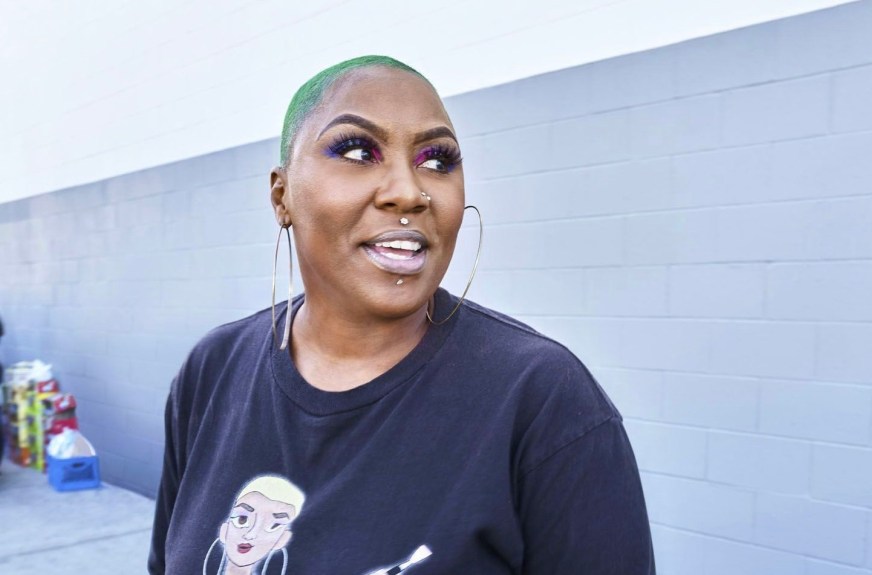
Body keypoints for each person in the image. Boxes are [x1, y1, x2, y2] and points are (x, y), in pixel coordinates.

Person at [149, 55, 655, 574]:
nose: (408, 192)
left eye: (436, 161)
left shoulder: (542, 398)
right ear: (282, 196)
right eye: (357, 150)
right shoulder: (212, 370)